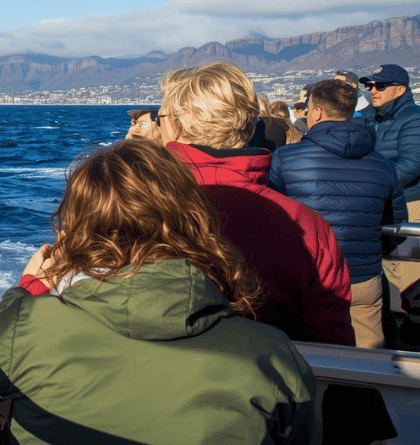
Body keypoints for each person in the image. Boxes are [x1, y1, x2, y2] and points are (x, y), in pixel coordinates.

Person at [0, 140, 320, 445]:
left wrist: (29, 289)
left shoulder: (28, 329)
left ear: (76, 227)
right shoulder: (271, 357)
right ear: (194, 219)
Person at [159, 61, 354, 345]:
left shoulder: (140, 211)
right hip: (274, 378)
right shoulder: (306, 224)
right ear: (250, 125)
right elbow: (332, 338)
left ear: (173, 127)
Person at [267, 79, 406, 348]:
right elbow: (394, 226)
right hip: (362, 275)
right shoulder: (383, 164)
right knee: (369, 358)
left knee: (307, 354)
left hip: (309, 276)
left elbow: (273, 218)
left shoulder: (285, 158)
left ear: (316, 112)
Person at [359, 64, 420, 347]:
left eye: (380, 86)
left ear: (400, 90)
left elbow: (411, 164)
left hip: (409, 202)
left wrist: (372, 180)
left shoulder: (414, 119)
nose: (373, 91)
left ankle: (409, 338)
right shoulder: (368, 118)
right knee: (384, 269)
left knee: (407, 274)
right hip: (378, 202)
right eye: (370, 85)